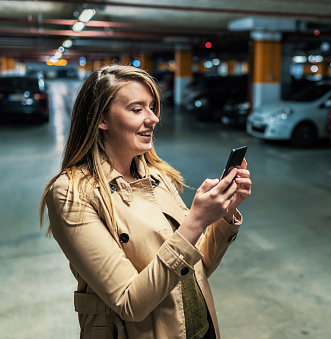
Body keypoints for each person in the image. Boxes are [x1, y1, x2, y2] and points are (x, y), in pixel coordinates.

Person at [39, 65, 251, 339]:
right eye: (137, 109)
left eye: (152, 107)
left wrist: (224, 212)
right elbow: (130, 303)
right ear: (101, 119)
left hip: (198, 330)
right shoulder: (72, 193)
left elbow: (195, 269)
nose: (153, 118)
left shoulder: (157, 176)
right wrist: (196, 220)